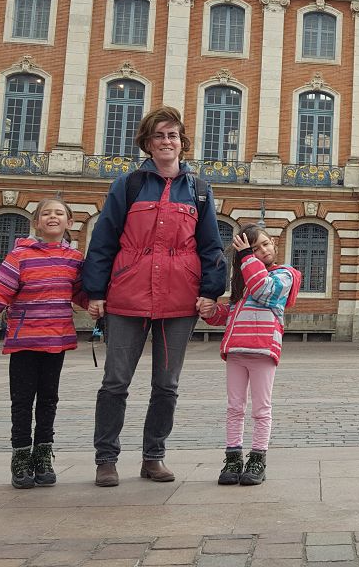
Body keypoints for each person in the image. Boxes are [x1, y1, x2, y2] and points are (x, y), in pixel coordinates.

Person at [83, 106, 226, 488]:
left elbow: (211, 246)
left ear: (182, 143)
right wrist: (95, 292)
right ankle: (106, 459)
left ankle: (153, 456)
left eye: (172, 135)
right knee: (115, 382)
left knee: (166, 385)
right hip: (127, 295)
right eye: (159, 135)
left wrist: (210, 291)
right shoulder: (127, 185)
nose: (166, 142)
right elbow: (103, 241)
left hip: (179, 299)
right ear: (147, 143)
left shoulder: (199, 190)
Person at [0, 197, 88, 489]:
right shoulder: (19, 256)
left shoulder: (75, 259)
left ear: (70, 223)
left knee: (49, 400)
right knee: (21, 402)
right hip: (24, 341)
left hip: (56, 340)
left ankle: (43, 457)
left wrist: (100, 304)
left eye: (59, 213)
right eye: (46, 213)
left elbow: (82, 293)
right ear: (36, 223)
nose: (53, 217)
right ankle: (20, 459)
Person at [200, 225, 299, 487]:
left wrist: (246, 257)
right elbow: (232, 314)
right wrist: (211, 311)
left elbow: (265, 290)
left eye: (265, 244)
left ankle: (257, 459)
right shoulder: (246, 281)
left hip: (263, 351)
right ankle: (233, 458)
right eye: (255, 249)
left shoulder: (284, 275)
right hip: (236, 351)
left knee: (261, 409)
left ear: (274, 243)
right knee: (234, 408)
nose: (262, 251)